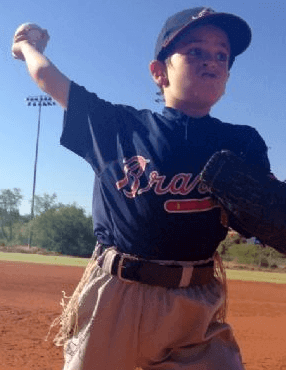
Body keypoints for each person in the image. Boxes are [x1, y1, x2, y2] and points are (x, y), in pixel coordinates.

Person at [12, 7, 272, 370]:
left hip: (196, 304)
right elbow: (47, 78)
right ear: (158, 72)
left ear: (227, 74)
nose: (210, 61)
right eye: (195, 50)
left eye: (221, 55)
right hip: (116, 298)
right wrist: (26, 46)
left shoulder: (243, 144)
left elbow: (263, 220)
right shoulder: (120, 127)